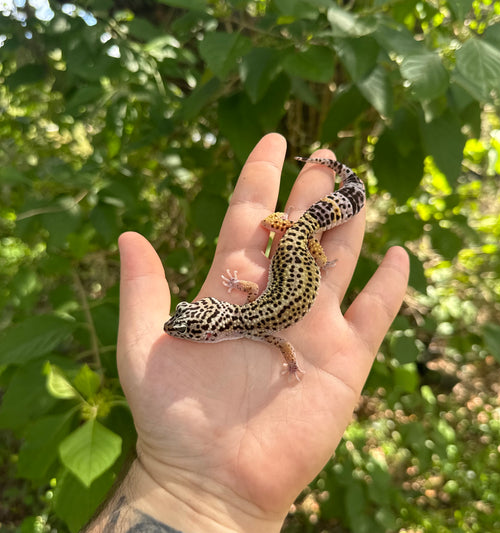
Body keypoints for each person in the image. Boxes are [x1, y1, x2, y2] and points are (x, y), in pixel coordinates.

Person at [83, 133, 409, 532]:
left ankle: (344, 183)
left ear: (212, 328)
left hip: (301, 245)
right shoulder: (249, 315)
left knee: (291, 225)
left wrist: (291, 365)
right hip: (297, 243)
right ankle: (339, 187)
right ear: (213, 322)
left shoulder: (256, 326)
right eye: (187, 323)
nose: (180, 324)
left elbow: (282, 340)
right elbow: (265, 313)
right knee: (281, 225)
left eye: (188, 321)